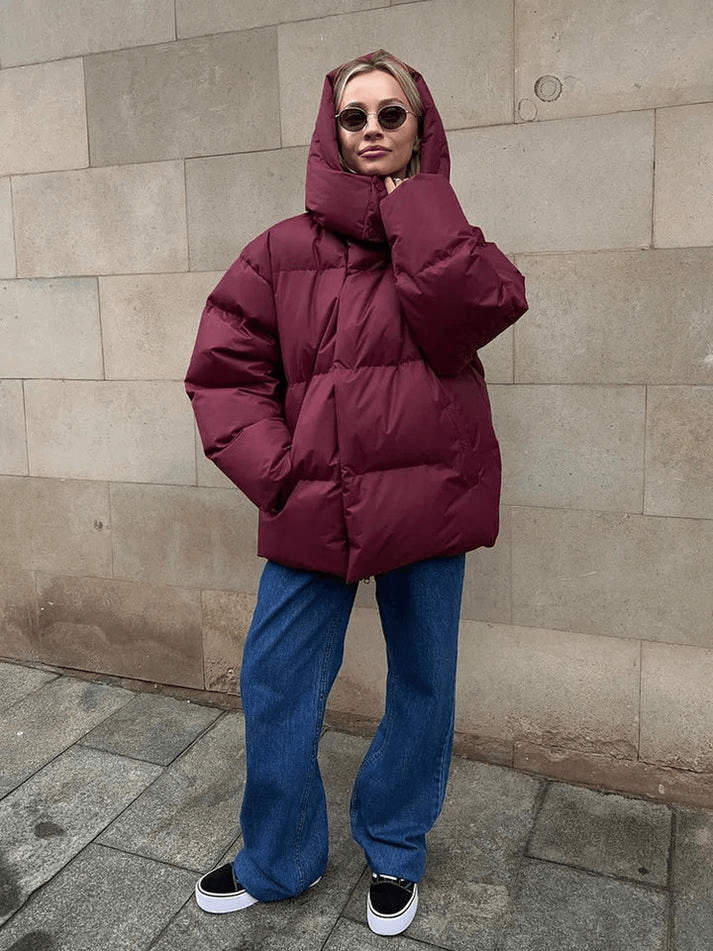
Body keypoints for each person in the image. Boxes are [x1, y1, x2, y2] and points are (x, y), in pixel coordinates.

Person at [185, 49, 527, 937]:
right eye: (353, 116)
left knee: (422, 681)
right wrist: (280, 471)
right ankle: (280, 855)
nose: (371, 129)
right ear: (329, 132)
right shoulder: (280, 250)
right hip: (316, 503)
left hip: (429, 498)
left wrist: (415, 207)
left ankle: (395, 843)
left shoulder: (448, 237)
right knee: (275, 679)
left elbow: (474, 316)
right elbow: (225, 372)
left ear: (419, 127)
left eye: (390, 114)